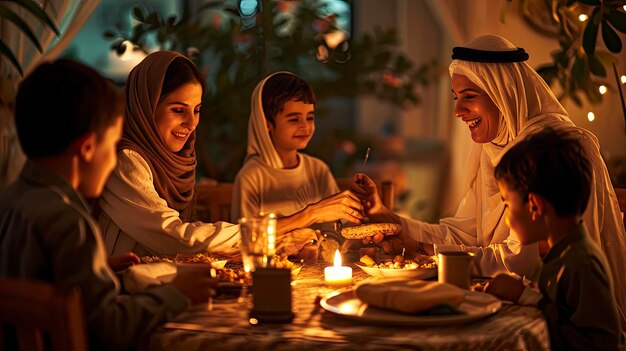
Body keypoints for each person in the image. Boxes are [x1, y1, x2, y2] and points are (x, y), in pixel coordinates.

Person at [354, 34, 626, 328]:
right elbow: (465, 236)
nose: (458, 111)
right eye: (456, 98)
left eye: (469, 97)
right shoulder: (496, 147)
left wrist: (426, 251)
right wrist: (396, 225)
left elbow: (526, 258)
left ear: (504, 93)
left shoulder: (559, 150)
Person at [0, 59, 218, 350]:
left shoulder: (10, 200)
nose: (115, 160)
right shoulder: (70, 223)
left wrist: (100, 270)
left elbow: (43, 279)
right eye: (112, 144)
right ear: (88, 148)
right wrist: (177, 294)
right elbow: (108, 328)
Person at [485, 128, 622, 350]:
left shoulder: (582, 263)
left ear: (536, 207)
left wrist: (526, 296)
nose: (507, 218)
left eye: (507, 204)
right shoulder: (559, 255)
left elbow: (600, 341)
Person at [96, 51, 240, 257]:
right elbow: (175, 238)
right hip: (121, 285)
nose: (191, 123)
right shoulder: (125, 159)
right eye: (178, 110)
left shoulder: (179, 161)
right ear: (146, 106)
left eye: (196, 110)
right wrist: (257, 232)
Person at [231, 71, 365, 256]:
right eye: (294, 119)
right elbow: (244, 240)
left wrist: (320, 244)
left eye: (310, 117)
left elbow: (335, 231)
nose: (305, 126)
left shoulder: (318, 170)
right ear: (266, 123)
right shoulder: (252, 176)